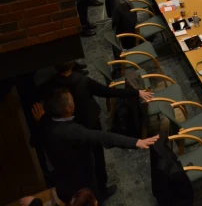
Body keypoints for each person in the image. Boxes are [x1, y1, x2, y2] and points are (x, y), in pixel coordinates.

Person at [41, 61, 154, 197]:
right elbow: (107, 92)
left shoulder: (52, 87)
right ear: (69, 107)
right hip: (89, 124)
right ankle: (101, 190)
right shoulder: (82, 82)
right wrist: (134, 93)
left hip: (72, 156)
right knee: (98, 158)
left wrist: (42, 119)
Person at [32, 89, 158, 204]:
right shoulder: (73, 132)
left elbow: (34, 141)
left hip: (62, 183)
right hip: (82, 185)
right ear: (68, 108)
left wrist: (42, 120)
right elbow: (103, 137)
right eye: (73, 100)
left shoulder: (46, 123)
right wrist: (136, 142)